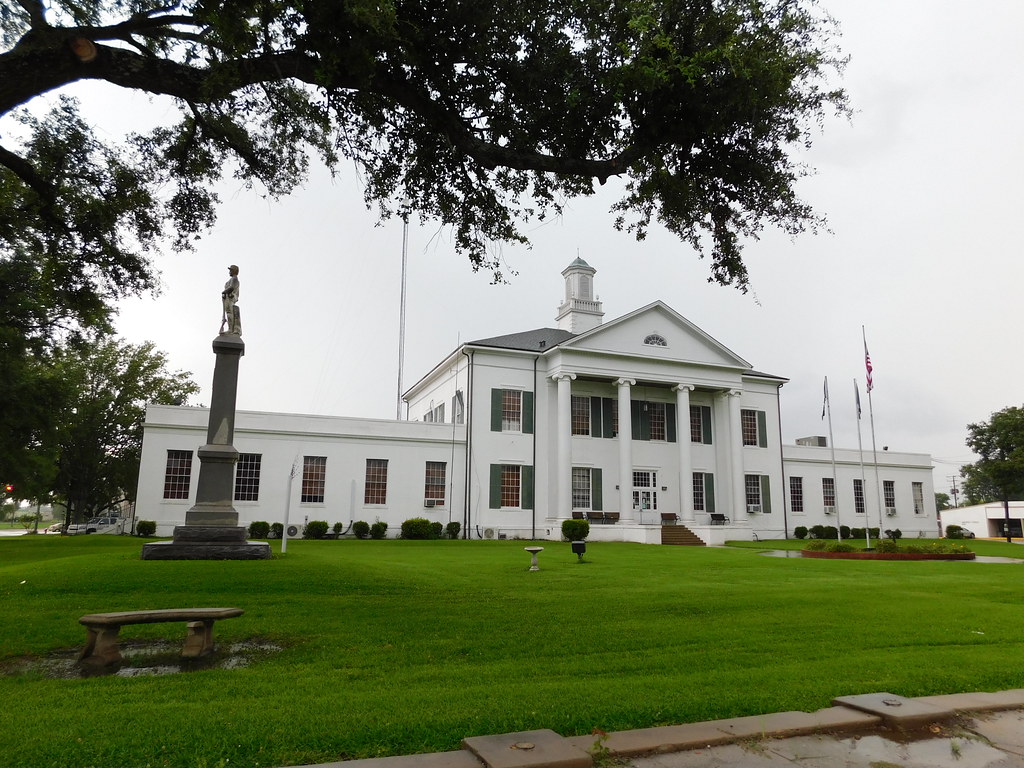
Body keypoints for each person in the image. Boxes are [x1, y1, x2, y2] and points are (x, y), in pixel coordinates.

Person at [220, 265, 241, 335]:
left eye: (230, 270)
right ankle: (231, 329)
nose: (229, 272)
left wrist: (224, 292)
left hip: (230, 297)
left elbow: (231, 288)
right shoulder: (232, 279)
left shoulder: (234, 279)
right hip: (227, 297)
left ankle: (230, 329)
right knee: (228, 312)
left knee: (229, 312)